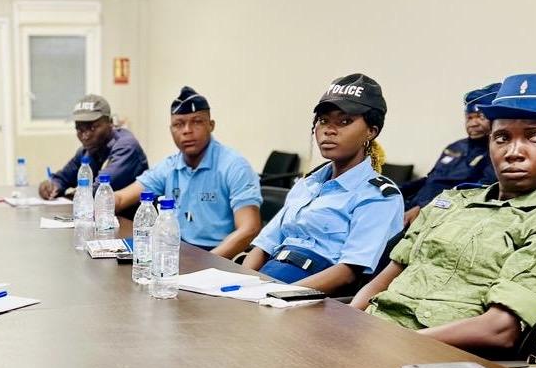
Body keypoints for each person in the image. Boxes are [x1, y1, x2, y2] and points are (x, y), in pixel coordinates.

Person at [354, 74, 536, 353]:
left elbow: (500, 329)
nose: (514, 152)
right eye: (502, 138)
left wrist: (389, 345)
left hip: (435, 360)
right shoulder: (451, 202)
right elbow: (385, 278)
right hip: (373, 337)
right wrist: (347, 324)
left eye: (535, 137)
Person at [241, 74, 403, 294]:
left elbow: (348, 272)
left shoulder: (378, 195)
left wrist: (275, 295)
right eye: (323, 120)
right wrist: (244, 285)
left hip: (313, 297)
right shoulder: (307, 184)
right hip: (266, 282)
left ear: (371, 131)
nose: (329, 130)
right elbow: (263, 247)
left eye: (344, 121)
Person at [113, 86, 262, 259]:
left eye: (196, 122)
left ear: (211, 125)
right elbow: (121, 198)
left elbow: (249, 228)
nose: (187, 130)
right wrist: (97, 205)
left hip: (218, 254)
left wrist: (208, 262)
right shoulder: (169, 166)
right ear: (171, 130)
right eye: (178, 124)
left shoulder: (234, 166)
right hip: (175, 251)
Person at [401, 82, 501, 226]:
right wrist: (396, 191)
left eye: (480, 117)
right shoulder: (455, 146)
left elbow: (476, 192)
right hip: (413, 206)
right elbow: (430, 179)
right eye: (469, 118)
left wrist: (423, 208)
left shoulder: (495, 152)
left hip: (441, 215)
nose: (473, 123)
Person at [38, 94, 148, 200]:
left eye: (92, 128)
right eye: (79, 129)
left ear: (110, 122)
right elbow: (63, 178)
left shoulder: (126, 146)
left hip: (133, 212)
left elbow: (100, 187)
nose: (85, 136)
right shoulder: (87, 150)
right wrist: (51, 186)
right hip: (100, 211)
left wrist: (76, 194)